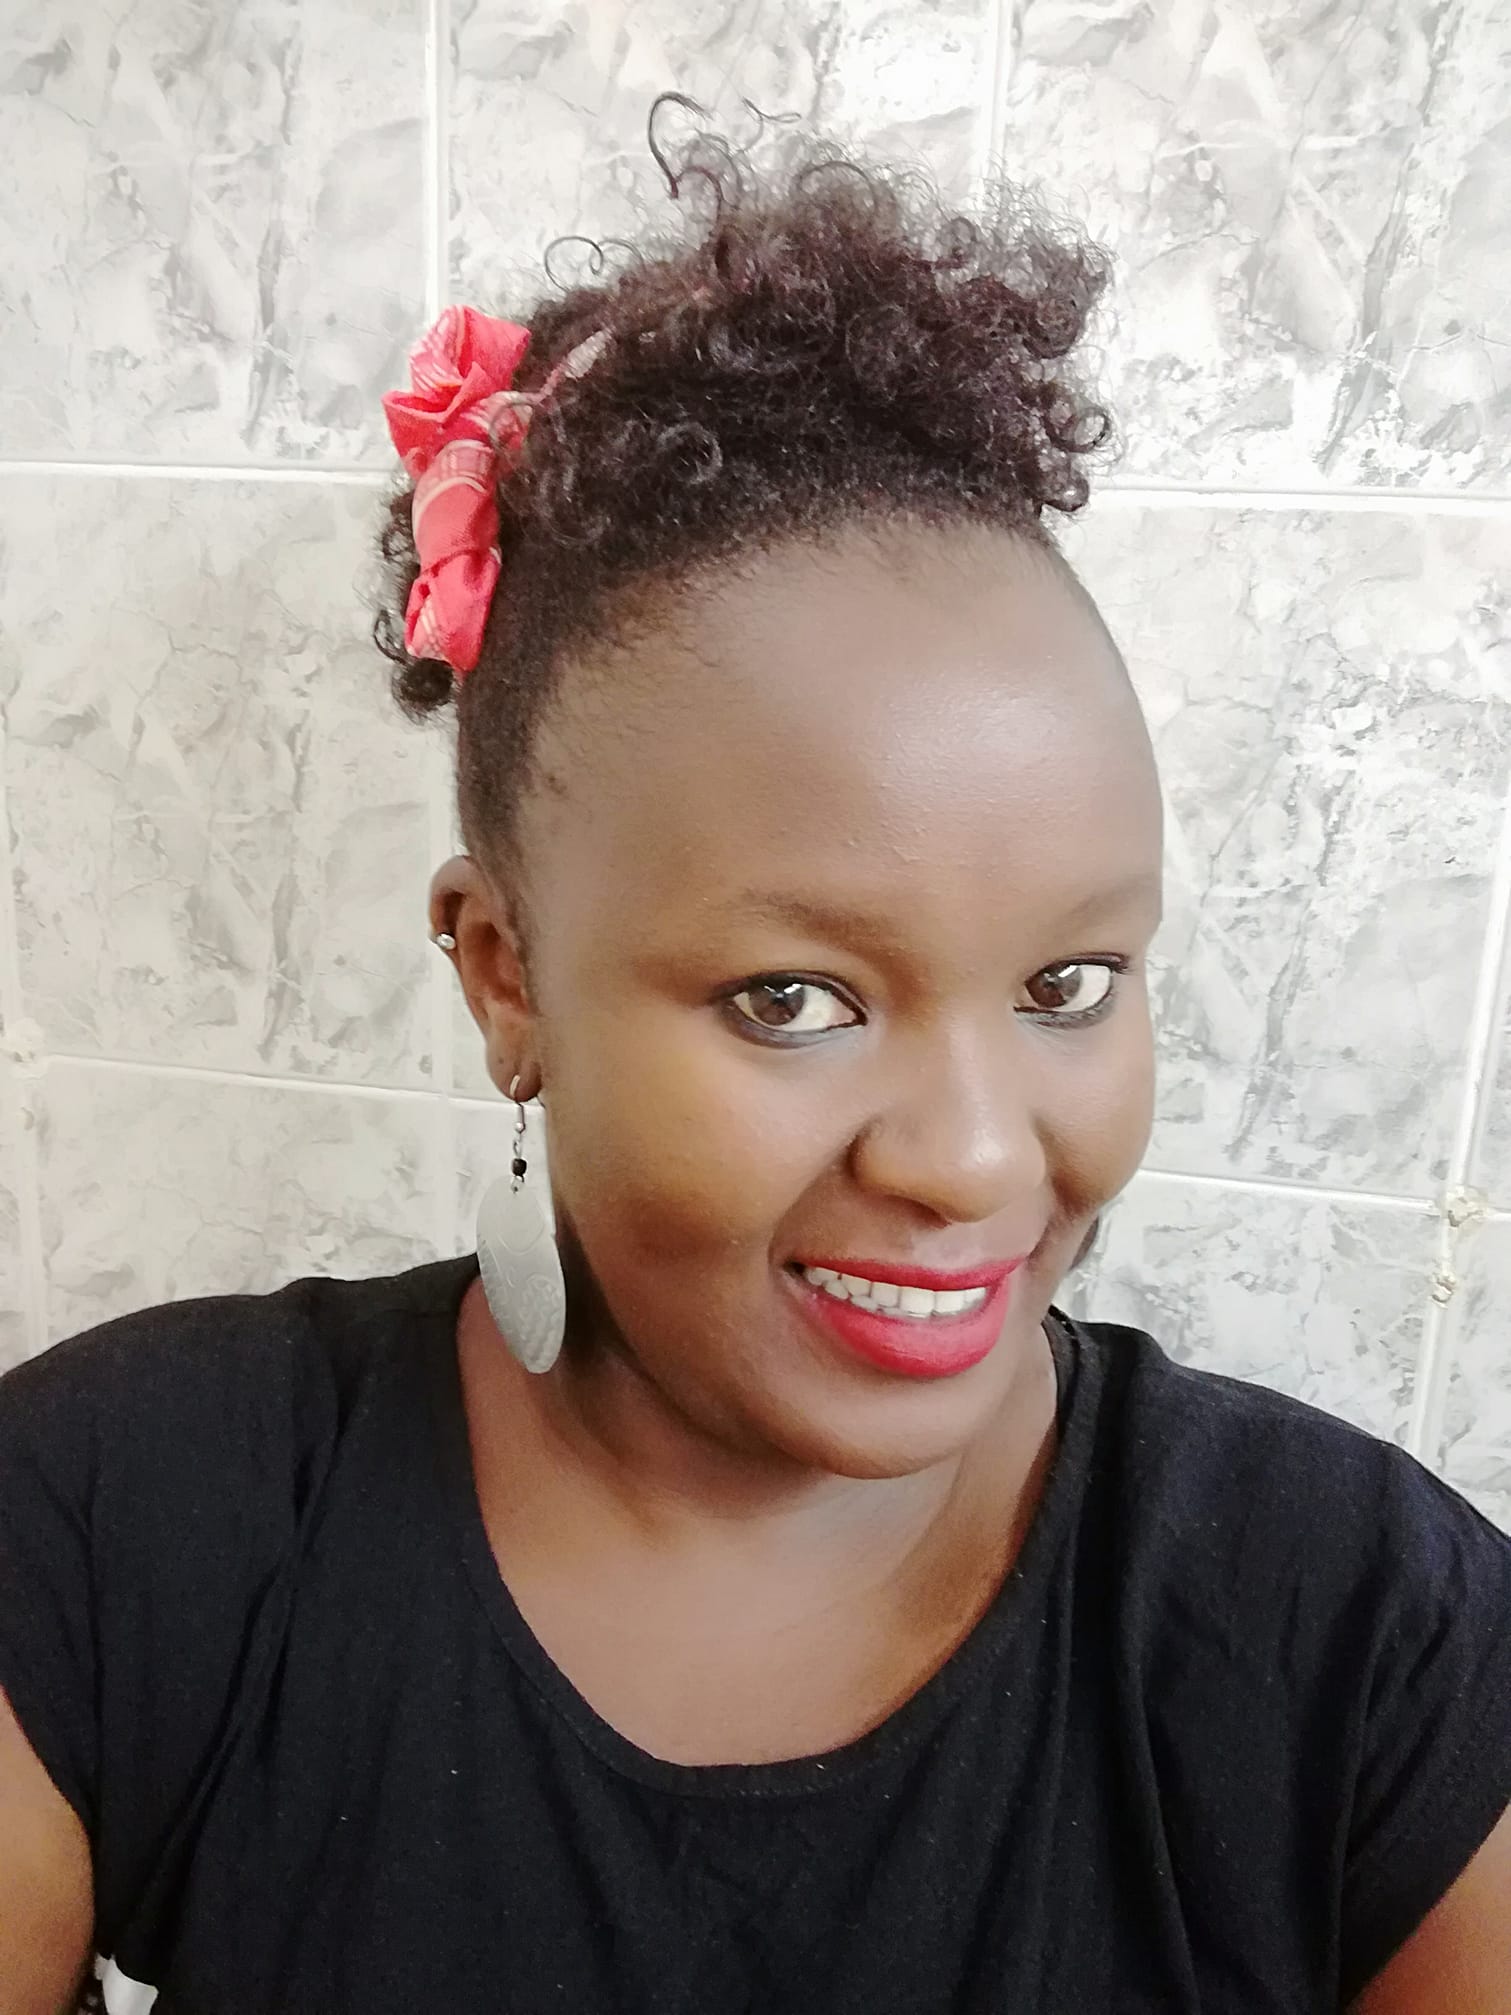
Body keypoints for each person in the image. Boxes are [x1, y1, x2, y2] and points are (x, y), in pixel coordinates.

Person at [2, 103, 1509, 2015]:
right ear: (506, 977)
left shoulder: (1362, 1643)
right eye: (795, 998)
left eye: (1067, 983)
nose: (975, 1158)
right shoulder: (124, 1527)